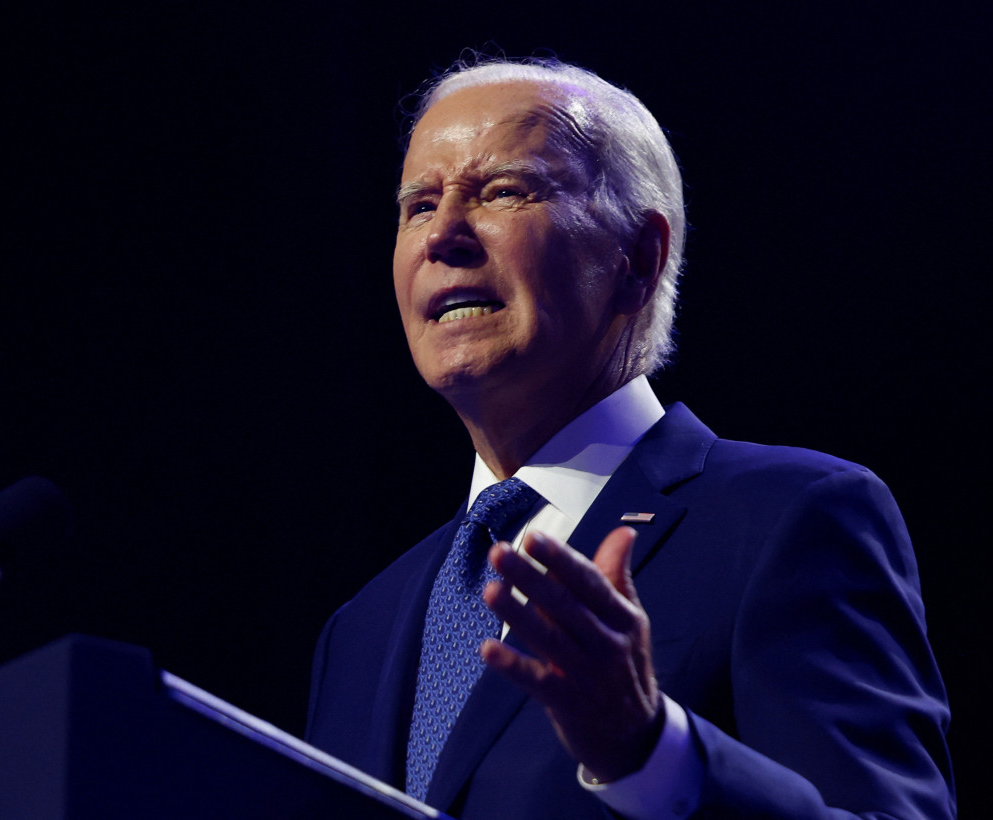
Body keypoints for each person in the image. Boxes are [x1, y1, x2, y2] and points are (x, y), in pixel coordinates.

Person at [305, 56, 956, 820]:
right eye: (417, 205)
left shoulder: (790, 520)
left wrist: (650, 752)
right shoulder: (360, 631)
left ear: (639, 257)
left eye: (503, 191)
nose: (442, 235)